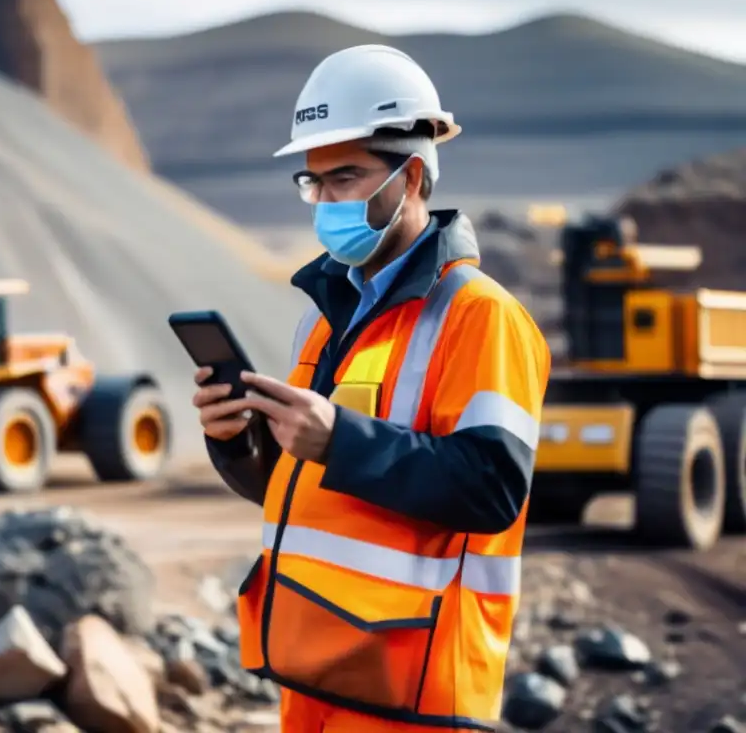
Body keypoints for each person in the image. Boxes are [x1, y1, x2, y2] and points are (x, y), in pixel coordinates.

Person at [192, 44, 551, 733]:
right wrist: (235, 441)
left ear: (412, 177)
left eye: (347, 178)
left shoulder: (482, 316)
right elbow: (293, 487)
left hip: (414, 686)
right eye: (314, 183)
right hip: (313, 673)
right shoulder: (324, 319)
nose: (325, 202)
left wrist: (341, 440)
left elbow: (494, 489)